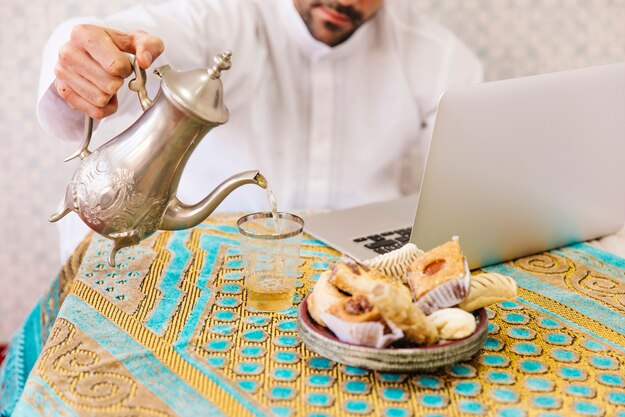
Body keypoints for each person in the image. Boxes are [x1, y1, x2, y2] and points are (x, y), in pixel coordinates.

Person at [38, 0, 483, 262]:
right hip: (202, 265)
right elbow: (135, 29)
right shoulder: (225, 15)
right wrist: (87, 54)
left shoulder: (439, 57)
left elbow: (470, 193)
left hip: (360, 273)